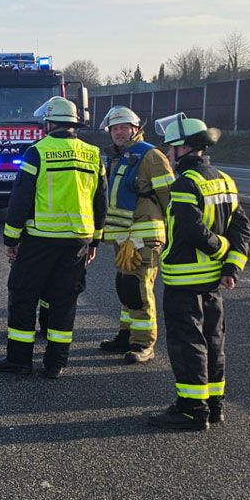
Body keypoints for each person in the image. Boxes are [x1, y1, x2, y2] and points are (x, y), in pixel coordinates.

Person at [0, 96, 107, 379]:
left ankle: (19, 360)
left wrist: (11, 239)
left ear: (49, 123)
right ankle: (56, 363)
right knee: (64, 301)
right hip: (78, 241)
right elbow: (101, 200)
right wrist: (95, 240)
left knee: (24, 296)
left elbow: (21, 198)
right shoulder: (93, 154)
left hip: (41, 239)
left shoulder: (38, 152)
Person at [147, 113, 249, 430]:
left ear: (185, 148)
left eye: (171, 148)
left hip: (185, 279)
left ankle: (191, 409)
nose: (167, 153)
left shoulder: (185, 183)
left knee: (187, 343)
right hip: (213, 280)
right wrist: (231, 265)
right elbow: (241, 228)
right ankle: (214, 405)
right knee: (213, 340)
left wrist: (219, 250)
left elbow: (191, 230)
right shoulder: (225, 180)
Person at [97, 106, 175, 364]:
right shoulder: (121, 156)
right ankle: (126, 336)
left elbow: (170, 199)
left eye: (123, 128)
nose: (118, 133)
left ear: (135, 129)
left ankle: (144, 344)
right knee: (126, 287)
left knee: (139, 289)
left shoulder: (151, 155)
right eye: (114, 129)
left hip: (145, 234)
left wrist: (173, 233)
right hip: (124, 236)